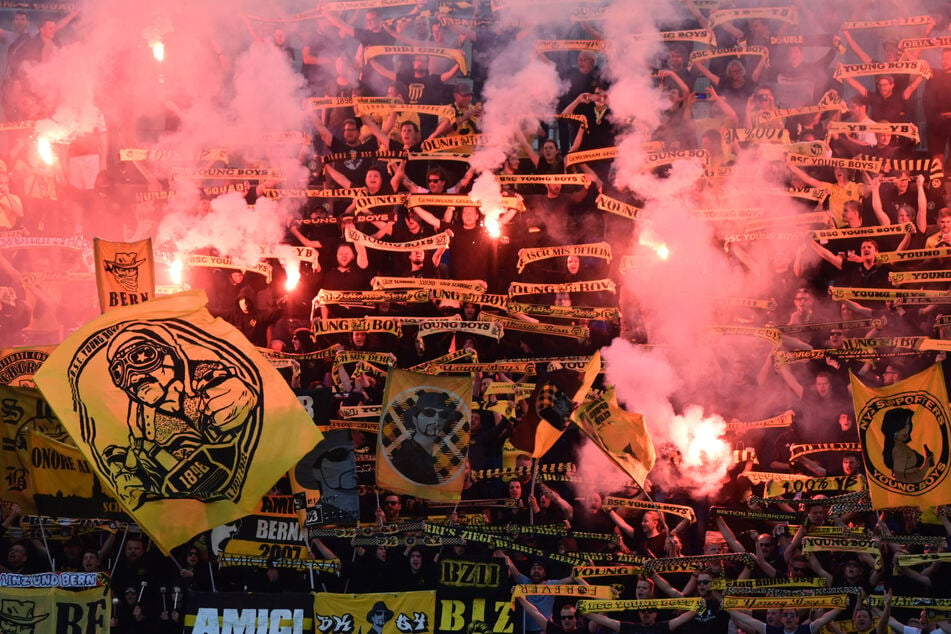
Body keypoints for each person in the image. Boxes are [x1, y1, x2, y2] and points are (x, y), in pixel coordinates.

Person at [101, 322, 260, 508]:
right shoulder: (138, 418)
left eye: (141, 357)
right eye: (119, 371)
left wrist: (236, 397)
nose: (133, 376)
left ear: (169, 354)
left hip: (239, 491)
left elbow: (231, 390)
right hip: (192, 507)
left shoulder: (202, 374)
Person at [387, 390, 464, 485]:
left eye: (442, 415)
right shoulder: (403, 455)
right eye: (429, 414)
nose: (436, 420)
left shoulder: (446, 455)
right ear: (415, 419)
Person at [880, 407, 935, 484]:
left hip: (916, 491)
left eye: (908, 424)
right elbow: (901, 482)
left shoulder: (900, 446)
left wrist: (927, 464)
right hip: (911, 493)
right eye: (901, 427)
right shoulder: (899, 450)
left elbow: (913, 476)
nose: (906, 430)